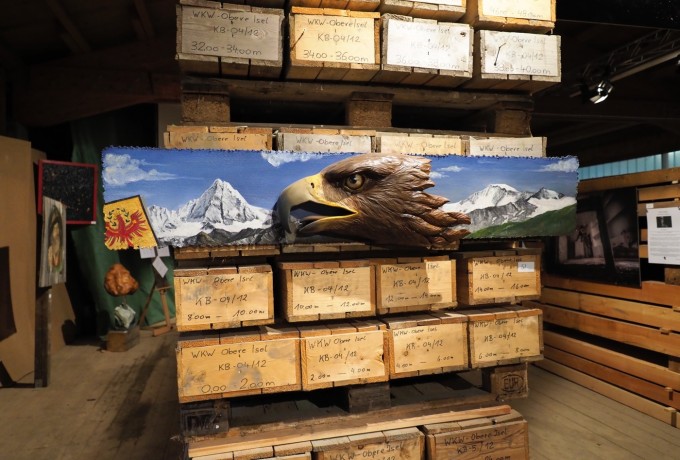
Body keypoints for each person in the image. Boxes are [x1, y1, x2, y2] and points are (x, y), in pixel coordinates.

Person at [46, 205, 65, 283]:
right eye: (55, 228)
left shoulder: (58, 252)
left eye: (58, 229)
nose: (57, 231)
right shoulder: (50, 251)